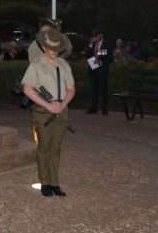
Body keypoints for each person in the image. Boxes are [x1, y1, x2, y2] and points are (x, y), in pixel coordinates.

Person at [22, 28, 76, 198]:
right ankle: (45, 183)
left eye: (57, 49)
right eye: (51, 48)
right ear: (44, 48)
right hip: (43, 113)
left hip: (61, 112)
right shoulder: (36, 65)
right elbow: (28, 89)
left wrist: (62, 104)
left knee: (56, 148)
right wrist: (48, 105)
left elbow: (71, 89)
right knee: (44, 148)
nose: (54, 52)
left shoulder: (64, 65)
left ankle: (55, 183)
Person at [85, 29, 112, 115]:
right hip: (93, 66)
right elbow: (87, 54)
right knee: (93, 87)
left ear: (100, 36)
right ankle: (93, 107)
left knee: (103, 88)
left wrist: (97, 53)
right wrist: (90, 45)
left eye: (96, 36)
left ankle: (104, 108)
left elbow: (107, 53)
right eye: (93, 36)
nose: (94, 38)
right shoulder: (92, 44)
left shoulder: (106, 43)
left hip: (102, 68)